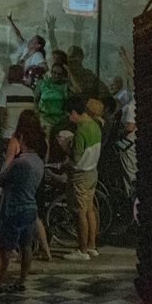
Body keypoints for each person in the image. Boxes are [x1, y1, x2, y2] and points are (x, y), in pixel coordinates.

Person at [0, 112, 47, 292]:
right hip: (30, 206)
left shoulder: (20, 163)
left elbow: (1, 179)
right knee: (26, 246)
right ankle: (21, 280)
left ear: (23, 141)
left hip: (14, 208)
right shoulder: (39, 162)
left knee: (6, 249)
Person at [64, 97, 103, 262]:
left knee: (80, 212)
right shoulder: (95, 126)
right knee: (90, 209)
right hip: (93, 172)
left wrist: (65, 145)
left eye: (69, 115)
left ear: (74, 113)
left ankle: (82, 250)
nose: (68, 118)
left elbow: (76, 157)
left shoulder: (81, 130)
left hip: (81, 175)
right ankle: (92, 246)